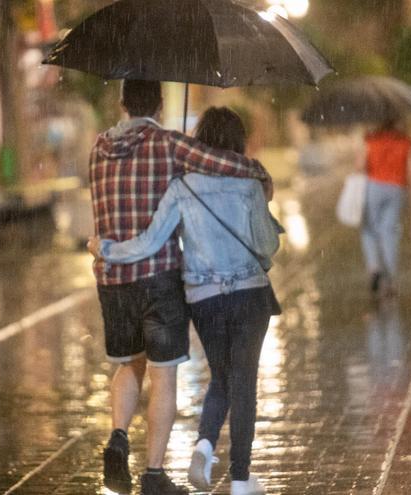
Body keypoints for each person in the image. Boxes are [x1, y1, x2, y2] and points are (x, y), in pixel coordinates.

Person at [89, 107, 282, 495]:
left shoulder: (181, 187)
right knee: (242, 382)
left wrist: (106, 249)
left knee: (220, 376)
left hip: (203, 299)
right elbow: (267, 245)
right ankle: (238, 477)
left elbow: (151, 241)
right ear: (238, 144)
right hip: (249, 295)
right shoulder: (248, 183)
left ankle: (197, 445)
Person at [354, 119, 411, 297]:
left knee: (368, 230)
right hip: (396, 188)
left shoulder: (370, 139)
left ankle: (374, 268)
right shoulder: (405, 141)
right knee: (389, 233)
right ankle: (390, 282)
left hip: (373, 187)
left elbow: (359, 166)